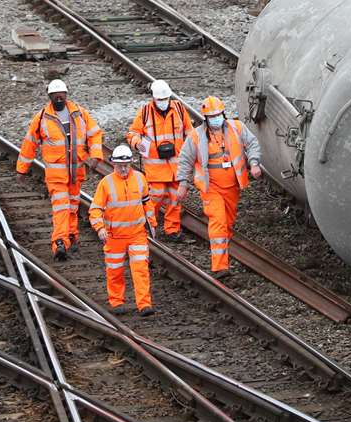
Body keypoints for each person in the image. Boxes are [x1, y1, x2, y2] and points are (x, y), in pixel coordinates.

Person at [173, 96, 262, 277]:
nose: (215, 118)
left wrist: (254, 163)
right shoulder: (196, 136)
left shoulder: (237, 128)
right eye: (211, 116)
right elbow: (185, 160)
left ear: (223, 113)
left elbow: (252, 143)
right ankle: (220, 266)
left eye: (218, 114)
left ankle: (223, 256)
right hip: (210, 187)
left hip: (232, 187)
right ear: (205, 118)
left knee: (227, 224)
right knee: (218, 222)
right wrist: (183, 183)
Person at [16, 79, 104, 260]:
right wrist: (22, 169)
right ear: (49, 96)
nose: (58, 97)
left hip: (76, 173)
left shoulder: (79, 114)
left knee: (72, 206)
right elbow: (29, 143)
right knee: (61, 208)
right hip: (56, 176)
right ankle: (60, 243)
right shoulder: (42, 118)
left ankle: (71, 237)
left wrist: (95, 155)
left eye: (61, 94)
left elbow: (94, 133)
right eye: (54, 95)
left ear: (66, 94)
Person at [89, 144, 154, 314]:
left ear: (131, 163)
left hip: (137, 234)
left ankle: (144, 304)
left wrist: (152, 224)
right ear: (113, 165)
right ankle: (117, 302)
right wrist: (99, 228)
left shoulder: (140, 179)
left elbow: (147, 202)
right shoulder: (106, 183)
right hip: (114, 236)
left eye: (126, 165)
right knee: (115, 270)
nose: (123, 168)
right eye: (119, 165)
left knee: (140, 269)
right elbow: (95, 209)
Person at [127, 79, 193, 241]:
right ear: (153, 99)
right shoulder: (145, 112)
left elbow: (189, 131)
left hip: (176, 164)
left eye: (166, 99)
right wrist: (138, 144)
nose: (164, 102)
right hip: (156, 166)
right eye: (160, 100)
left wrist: (192, 151)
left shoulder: (178, 109)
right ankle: (149, 225)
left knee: (175, 197)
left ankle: (172, 230)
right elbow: (133, 133)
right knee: (155, 196)